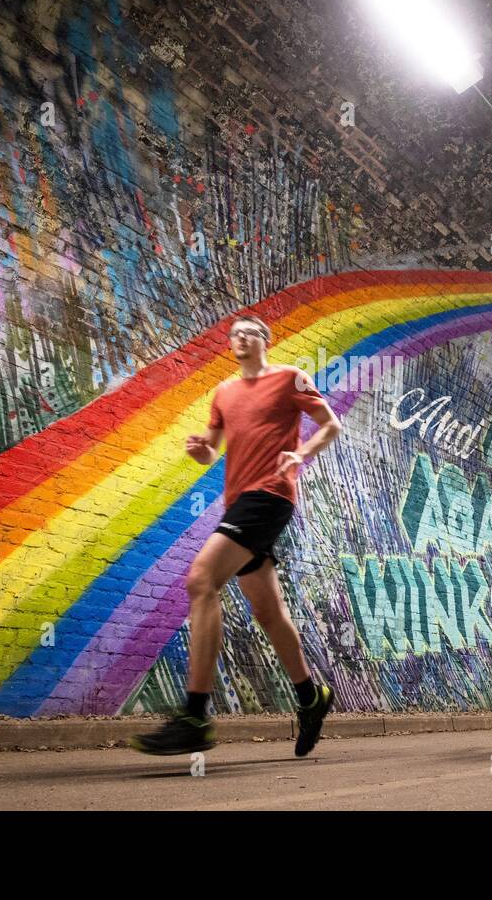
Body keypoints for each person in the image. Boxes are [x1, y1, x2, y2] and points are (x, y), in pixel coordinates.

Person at [132, 315, 342, 756]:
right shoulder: (224, 393)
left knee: (201, 579)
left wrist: (299, 454)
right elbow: (211, 451)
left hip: (271, 494)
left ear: (266, 341)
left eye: (251, 332)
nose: (242, 337)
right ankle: (311, 698)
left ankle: (194, 715)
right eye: (235, 334)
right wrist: (200, 451)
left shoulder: (290, 378)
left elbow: (330, 425)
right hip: (238, 503)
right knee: (267, 610)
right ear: (231, 345)